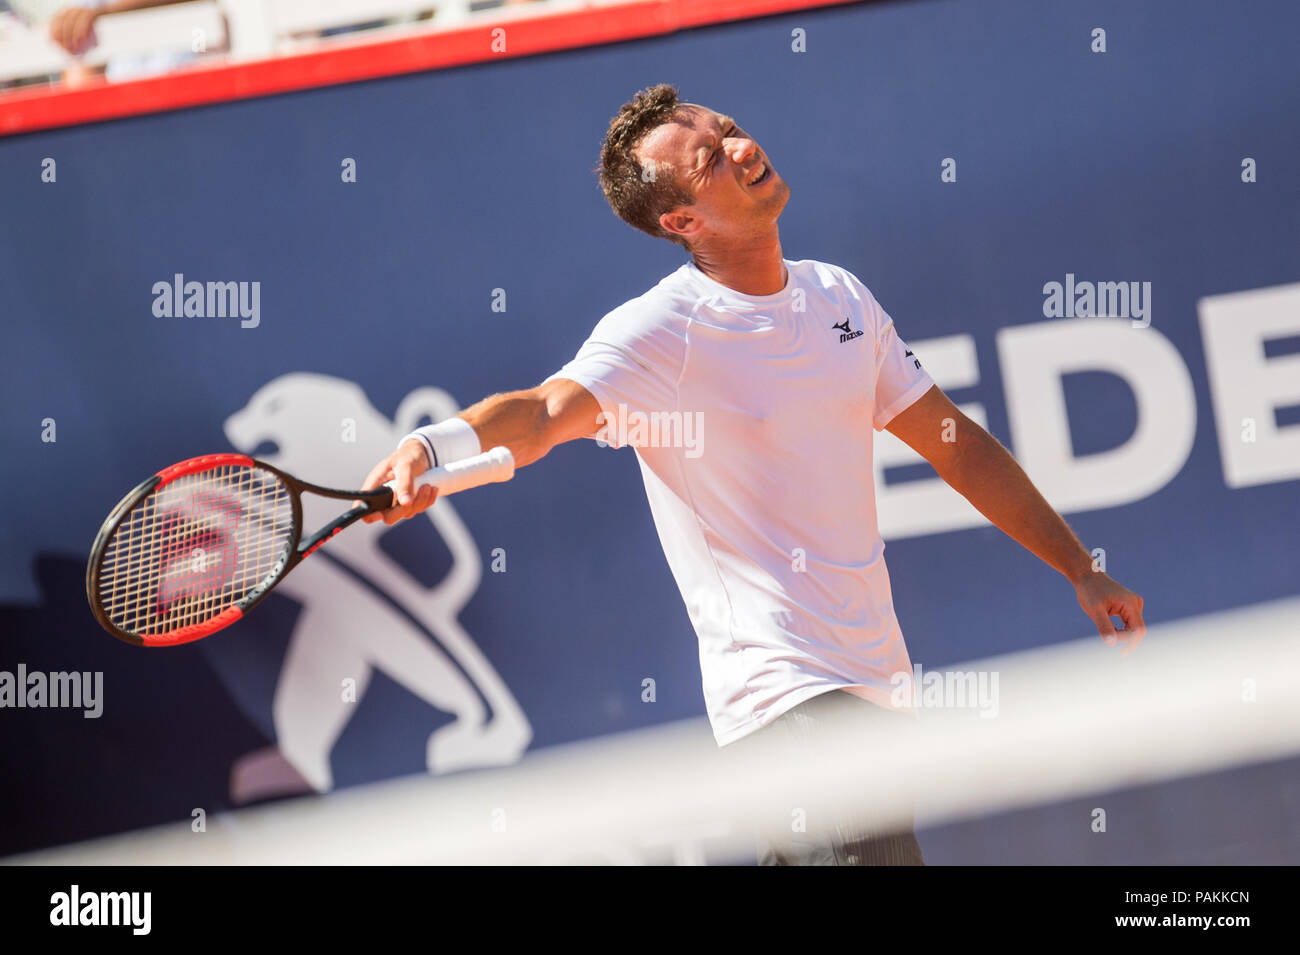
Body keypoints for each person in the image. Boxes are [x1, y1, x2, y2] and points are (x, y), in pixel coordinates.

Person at [358, 83, 1146, 865]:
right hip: (785, 698)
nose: (741, 147)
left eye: (730, 128)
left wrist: (1079, 565)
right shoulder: (660, 332)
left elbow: (954, 444)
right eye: (710, 157)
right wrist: (430, 448)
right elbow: (538, 412)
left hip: (879, 687)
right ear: (683, 221)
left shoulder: (841, 298)